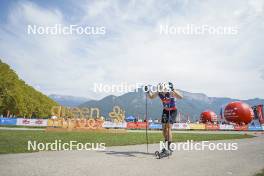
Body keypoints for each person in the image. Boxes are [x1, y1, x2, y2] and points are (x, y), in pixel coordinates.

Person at [146, 82, 183, 154]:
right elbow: (151, 97)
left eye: (163, 91)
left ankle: (169, 147)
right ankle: (166, 145)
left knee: (168, 128)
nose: (162, 93)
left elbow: (181, 97)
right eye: (160, 91)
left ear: (165, 89)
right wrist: (148, 91)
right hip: (165, 111)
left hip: (173, 111)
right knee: (164, 130)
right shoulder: (159, 92)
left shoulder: (170, 92)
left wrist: (173, 89)